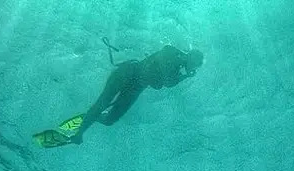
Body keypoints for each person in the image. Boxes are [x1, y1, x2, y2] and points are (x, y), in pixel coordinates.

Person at [33, 42, 203, 147]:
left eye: (195, 67)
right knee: (102, 103)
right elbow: (160, 77)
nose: (193, 68)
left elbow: (164, 83)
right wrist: (176, 75)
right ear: (191, 57)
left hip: (136, 87)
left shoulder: (177, 71)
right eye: (195, 64)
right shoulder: (172, 51)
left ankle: (90, 117)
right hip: (128, 72)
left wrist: (184, 76)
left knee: (109, 120)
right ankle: (80, 132)